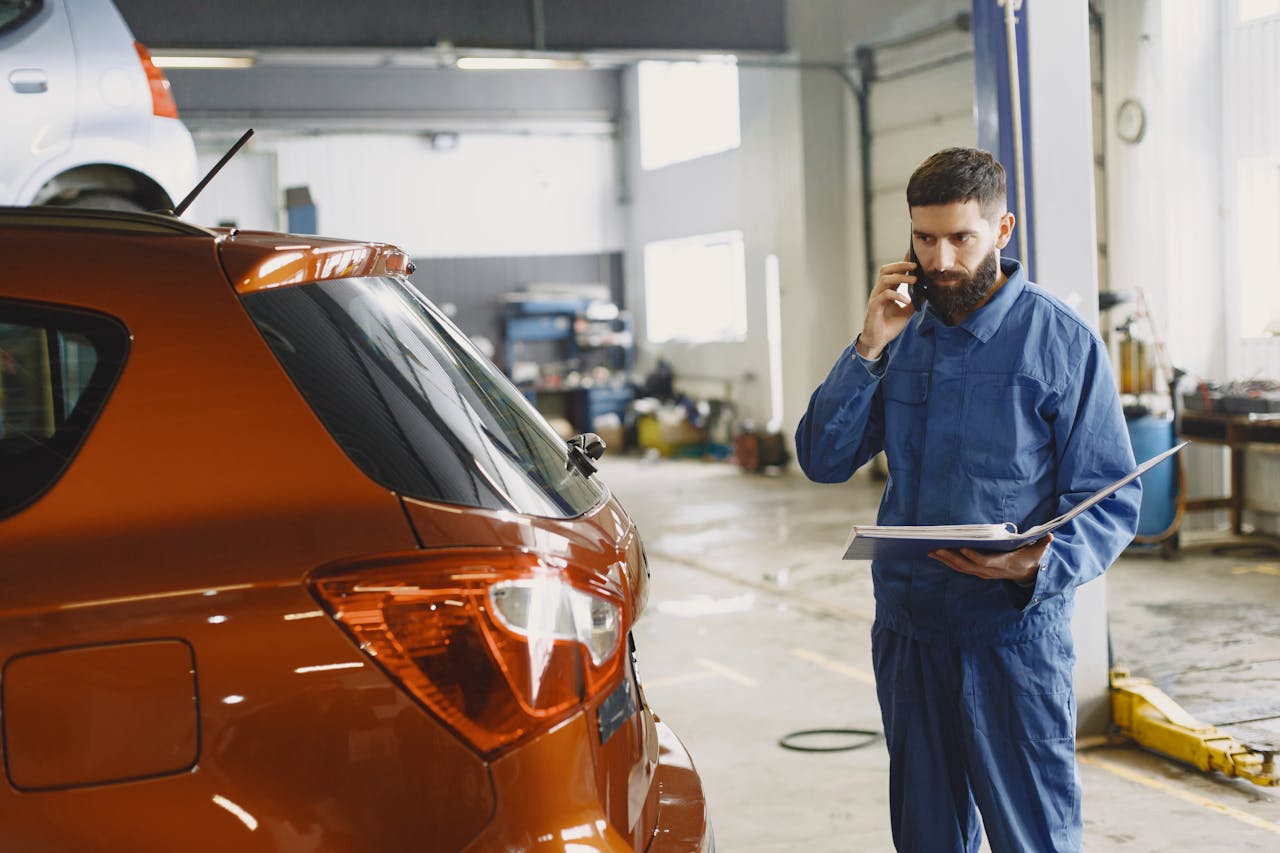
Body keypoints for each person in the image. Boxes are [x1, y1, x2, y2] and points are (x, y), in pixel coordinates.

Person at [795, 147, 1140, 853]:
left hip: (1009, 638)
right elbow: (823, 458)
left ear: (1003, 229)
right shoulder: (898, 333)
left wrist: (1037, 565)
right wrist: (867, 346)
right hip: (910, 631)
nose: (941, 259)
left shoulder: (1060, 343)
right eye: (924, 239)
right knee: (927, 837)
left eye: (961, 238)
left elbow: (1109, 497)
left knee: (1032, 836)